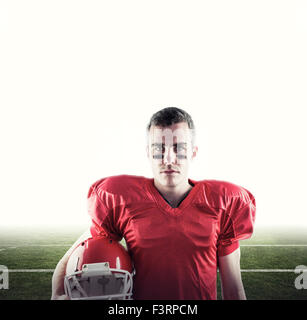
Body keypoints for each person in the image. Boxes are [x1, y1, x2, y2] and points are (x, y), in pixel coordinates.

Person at [51, 107, 256, 300]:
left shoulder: (222, 204)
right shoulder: (122, 200)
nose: (168, 159)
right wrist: (57, 292)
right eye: (159, 148)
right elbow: (78, 252)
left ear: (193, 152)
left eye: (179, 148)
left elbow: (234, 289)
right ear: (148, 152)